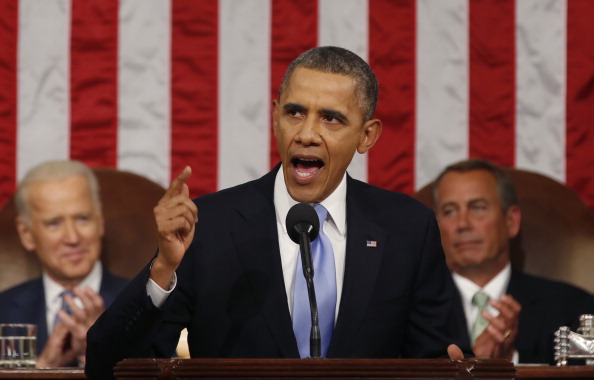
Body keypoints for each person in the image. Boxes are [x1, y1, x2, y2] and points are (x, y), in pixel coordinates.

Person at [86, 46, 468, 379]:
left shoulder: (406, 229)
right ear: (275, 117)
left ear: (367, 136)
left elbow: (435, 361)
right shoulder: (210, 226)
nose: (306, 133)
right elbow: (107, 367)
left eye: (331, 118)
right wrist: (162, 271)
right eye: (295, 113)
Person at [432, 158, 594, 364]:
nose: (463, 224)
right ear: (437, 226)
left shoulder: (575, 309)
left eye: (478, 207)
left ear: (511, 221)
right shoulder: (410, 311)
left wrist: (510, 361)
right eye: (450, 211)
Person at [0, 160, 128, 367]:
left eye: (83, 219)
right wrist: (42, 369)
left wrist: (103, 357)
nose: (72, 238)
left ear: (100, 222)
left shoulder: (143, 305)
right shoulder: (3, 311)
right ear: (27, 234)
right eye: (54, 223)